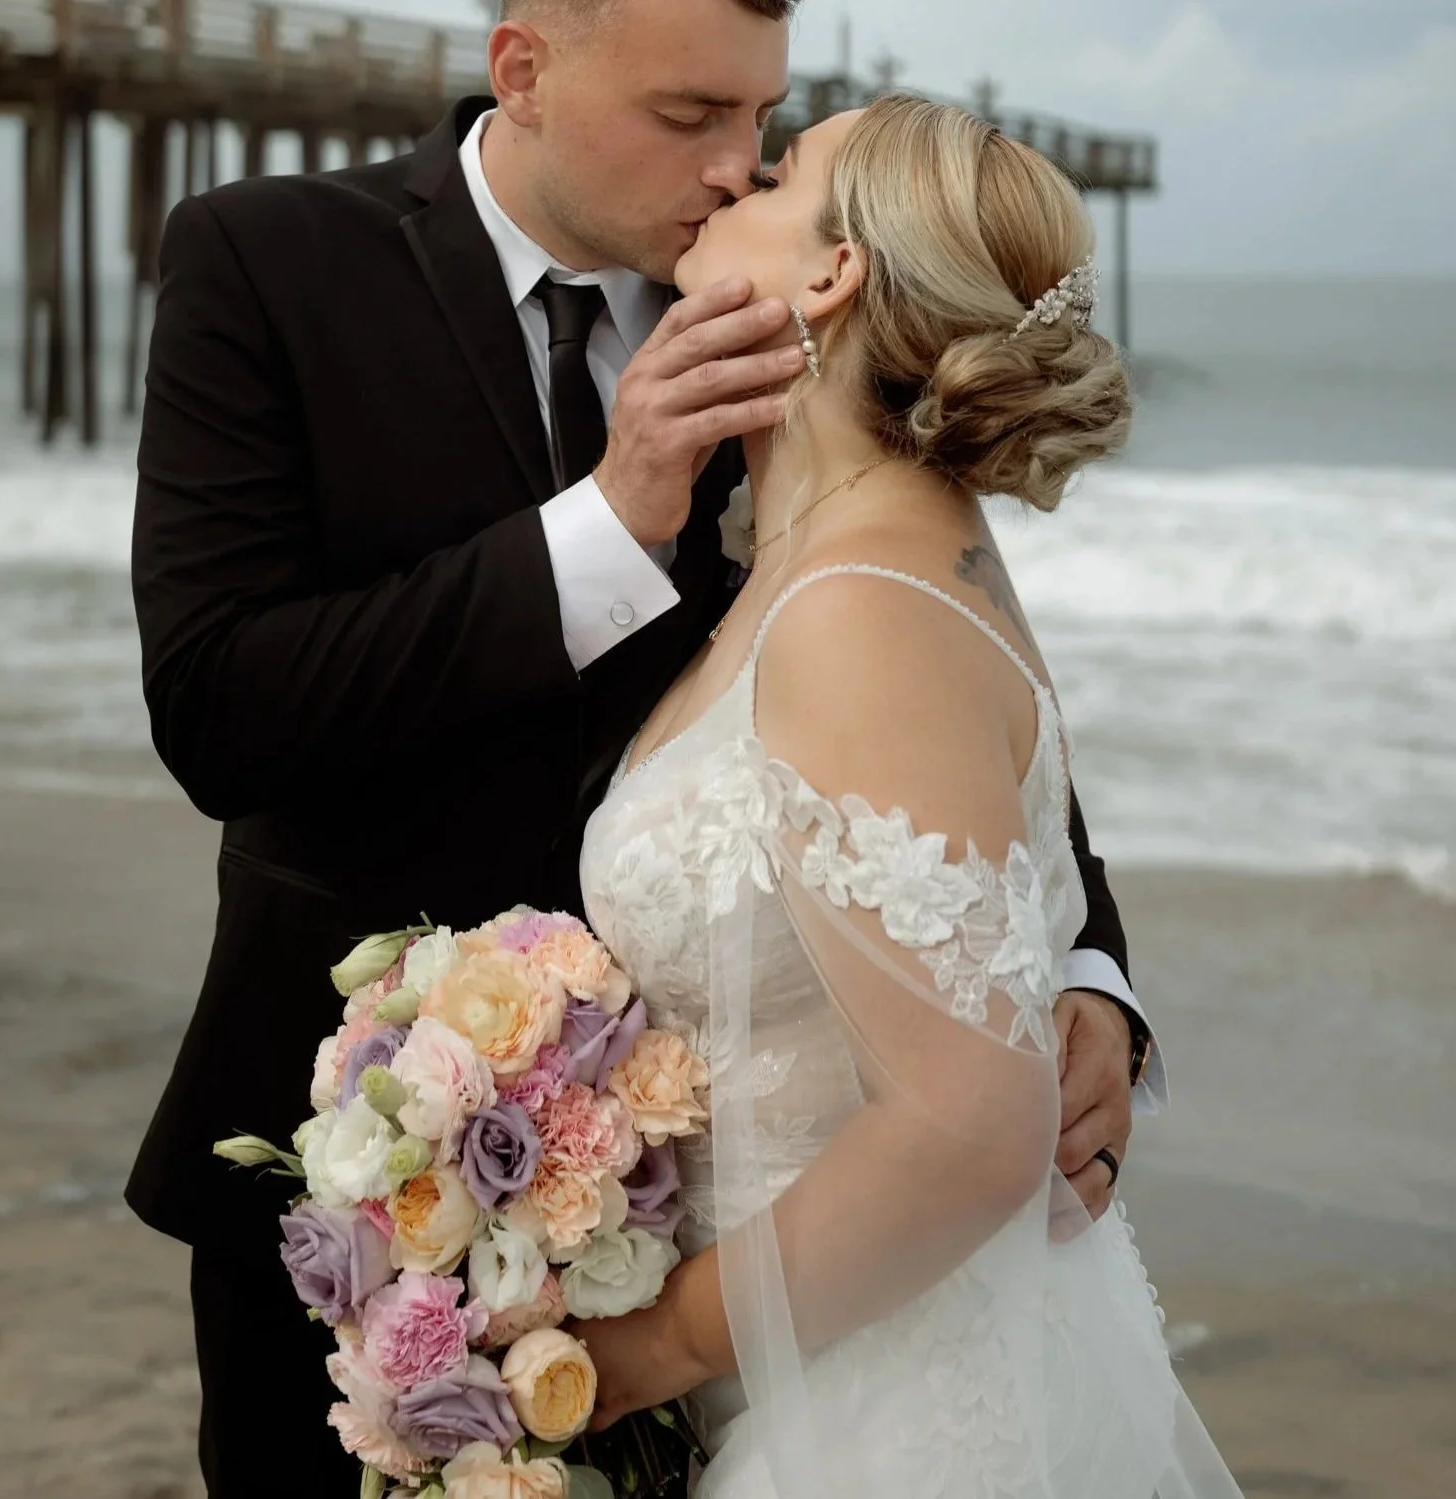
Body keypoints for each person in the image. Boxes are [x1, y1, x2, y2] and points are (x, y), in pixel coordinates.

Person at [125, 1, 1161, 1491]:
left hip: (741, 1251)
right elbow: (220, 709)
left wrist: (1080, 971)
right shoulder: (268, 261)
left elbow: (934, 699)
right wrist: (606, 527)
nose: (737, 167)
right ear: (526, 70)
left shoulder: (816, 411)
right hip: (364, 1202)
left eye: (765, 119)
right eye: (691, 118)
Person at [569, 95, 1238, 1497]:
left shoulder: (860, 606)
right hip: (832, 1355)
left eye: (783, 170)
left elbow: (965, 1126)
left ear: (831, 274)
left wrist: (652, 1345)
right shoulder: (858, 557)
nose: (739, 175)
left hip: (882, 1410)